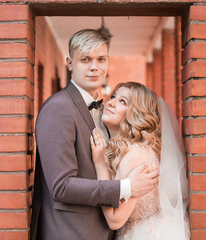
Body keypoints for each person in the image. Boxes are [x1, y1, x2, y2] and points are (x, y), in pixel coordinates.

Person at [30, 29, 159, 240]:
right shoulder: (58, 108)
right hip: (71, 233)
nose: (94, 67)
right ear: (70, 63)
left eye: (101, 59)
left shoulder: (103, 111)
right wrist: (126, 187)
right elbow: (61, 187)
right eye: (85, 59)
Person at [90, 82, 190, 240]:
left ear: (136, 114)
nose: (111, 102)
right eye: (113, 97)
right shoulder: (131, 150)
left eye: (123, 101)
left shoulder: (136, 157)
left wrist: (100, 163)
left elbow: (115, 220)